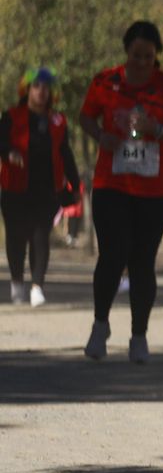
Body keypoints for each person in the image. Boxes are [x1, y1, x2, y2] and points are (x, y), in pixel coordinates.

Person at [79, 21, 163, 362]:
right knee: (112, 254)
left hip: (155, 189)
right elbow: (85, 117)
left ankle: (139, 336)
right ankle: (100, 326)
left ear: (156, 54)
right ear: (126, 52)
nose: (143, 62)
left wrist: (156, 129)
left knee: (142, 261)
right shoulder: (105, 81)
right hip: (112, 184)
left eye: (149, 56)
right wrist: (101, 135)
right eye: (137, 55)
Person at [2, 67, 80, 306]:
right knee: (16, 237)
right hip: (15, 187)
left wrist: (74, 183)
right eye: (36, 86)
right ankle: (17, 283)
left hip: (47, 188)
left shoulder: (57, 121)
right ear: (27, 90)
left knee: (40, 235)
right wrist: (9, 153)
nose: (42, 92)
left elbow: (65, 153)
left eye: (46, 87)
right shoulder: (11, 116)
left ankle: (37, 286)